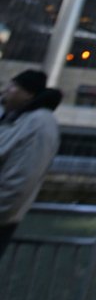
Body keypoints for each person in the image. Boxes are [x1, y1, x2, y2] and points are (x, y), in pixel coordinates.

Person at [0, 69, 62, 255]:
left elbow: (20, 180)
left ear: (28, 94)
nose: (6, 90)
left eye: (13, 86)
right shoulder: (15, 118)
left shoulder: (38, 123)